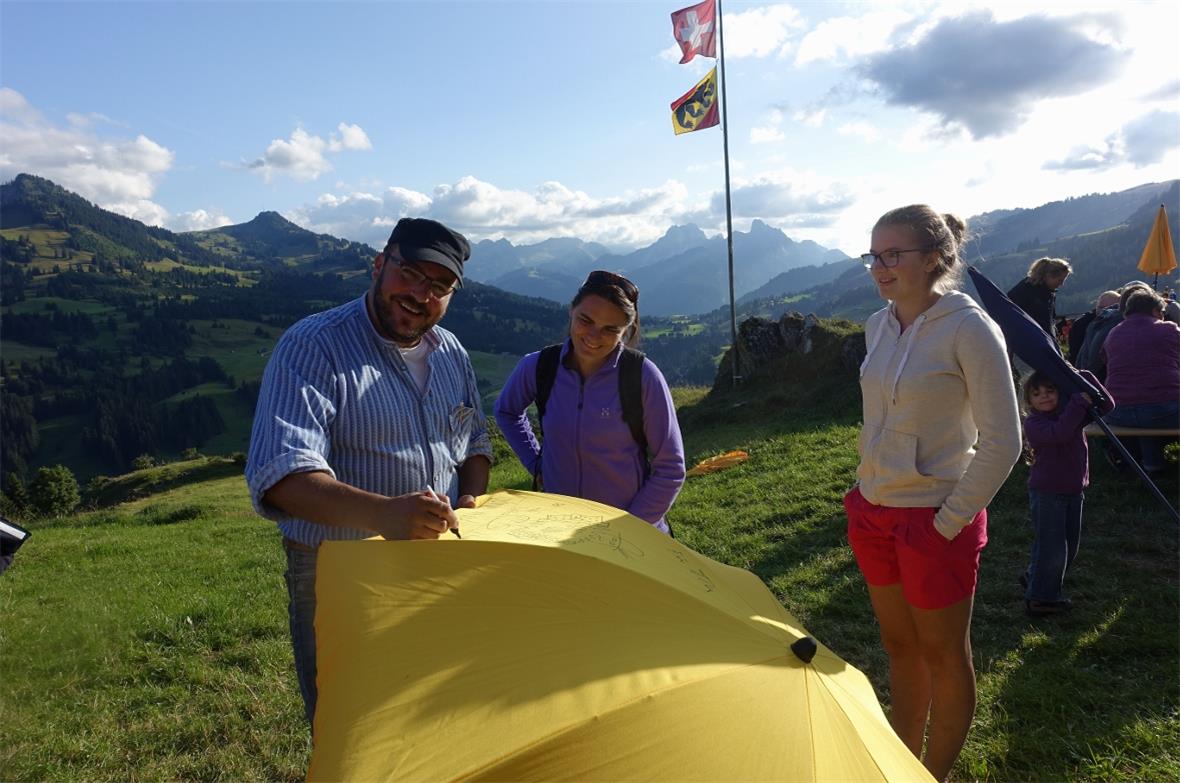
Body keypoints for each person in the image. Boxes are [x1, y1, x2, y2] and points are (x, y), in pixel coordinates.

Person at [245, 217, 492, 729]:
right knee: (350, 717)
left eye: (439, 286)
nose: (421, 294)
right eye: (411, 274)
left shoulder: (452, 353)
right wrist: (385, 515)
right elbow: (284, 475)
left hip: (439, 562)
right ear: (379, 265)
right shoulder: (314, 346)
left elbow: (475, 444)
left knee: (434, 708)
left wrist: (471, 500)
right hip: (338, 570)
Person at [847, 205, 1022, 781]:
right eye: (874, 254)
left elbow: (1004, 441)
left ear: (935, 259)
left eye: (893, 254)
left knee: (946, 655)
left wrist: (946, 522)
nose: (879, 266)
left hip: (934, 518)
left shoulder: (971, 328)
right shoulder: (878, 324)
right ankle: (902, 766)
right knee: (900, 645)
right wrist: (862, 489)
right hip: (874, 511)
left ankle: (935, 773)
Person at [494, 270, 685, 533]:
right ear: (571, 311)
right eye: (586, 320)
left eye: (610, 329)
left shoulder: (642, 376)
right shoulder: (538, 367)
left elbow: (671, 468)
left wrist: (630, 529)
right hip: (559, 525)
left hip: (629, 533)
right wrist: (535, 462)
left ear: (626, 330)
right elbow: (506, 411)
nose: (594, 336)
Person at [1020, 369, 1113, 617]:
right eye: (1037, 393)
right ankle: (1042, 598)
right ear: (1029, 401)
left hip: (1073, 490)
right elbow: (1059, 434)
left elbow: (1106, 405)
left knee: (1070, 546)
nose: (1045, 397)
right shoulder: (1034, 424)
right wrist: (1078, 402)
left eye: (1051, 390)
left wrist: (1081, 376)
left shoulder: (1069, 415)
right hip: (1048, 492)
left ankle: (1035, 576)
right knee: (1052, 547)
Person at [1100, 287, 1180, 476]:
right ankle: (1154, 464)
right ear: (1155, 310)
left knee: (1144, 403)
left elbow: (1104, 359)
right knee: (1154, 404)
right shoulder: (1168, 329)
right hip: (1164, 411)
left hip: (1119, 412)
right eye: (1162, 313)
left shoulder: (1113, 333)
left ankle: (1153, 464)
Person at [1076, 282, 1152, 381]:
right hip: (1104, 380)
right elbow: (1095, 357)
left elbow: (1085, 353)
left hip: (1095, 380)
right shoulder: (1116, 323)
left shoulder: (1102, 319)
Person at [1007, 257, 1072, 342]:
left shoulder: (1049, 293)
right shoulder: (1026, 290)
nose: (1061, 284)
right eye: (1060, 280)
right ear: (1049, 276)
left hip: (1043, 342)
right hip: (1027, 343)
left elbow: (1048, 321)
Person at [1067, 291, 1119, 363]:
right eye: (1101, 308)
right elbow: (1074, 354)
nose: (1104, 312)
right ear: (1096, 306)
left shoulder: (1121, 324)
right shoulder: (1081, 325)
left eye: (1110, 308)